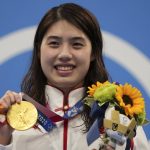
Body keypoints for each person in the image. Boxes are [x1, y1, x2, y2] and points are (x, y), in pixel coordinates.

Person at [0, 3, 149, 150]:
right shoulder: (13, 117)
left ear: (94, 52)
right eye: (54, 43)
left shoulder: (118, 116)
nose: (64, 54)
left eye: (77, 44)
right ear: (39, 50)